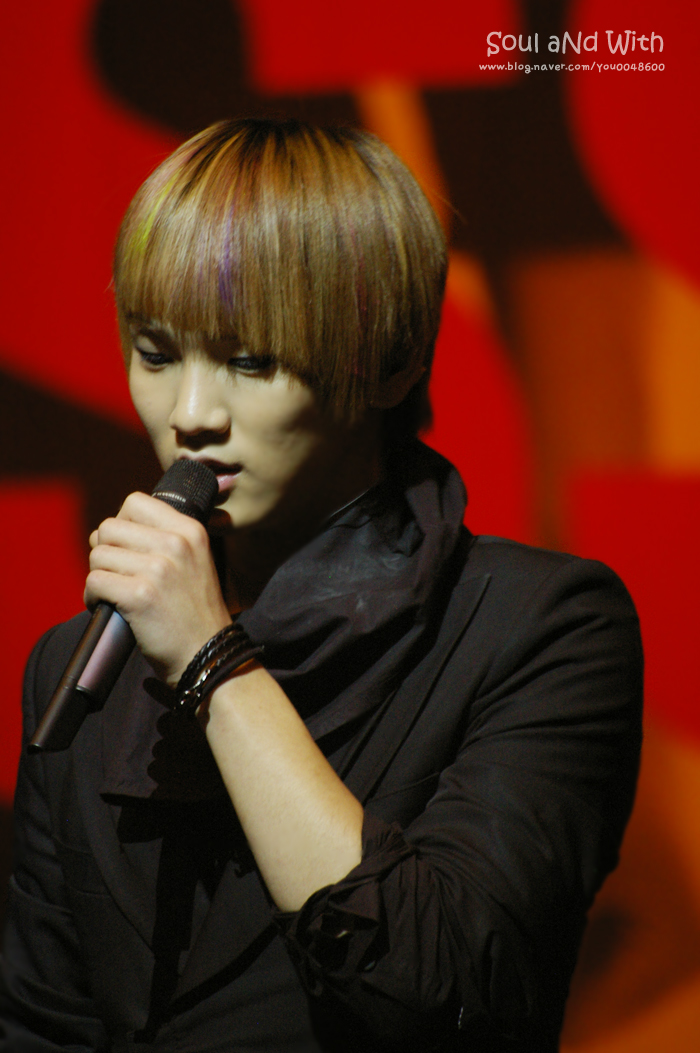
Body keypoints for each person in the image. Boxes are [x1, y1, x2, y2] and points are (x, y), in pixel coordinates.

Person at [0, 118, 643, 1053]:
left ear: (391, 363)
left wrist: (215, 662)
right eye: (156, 352)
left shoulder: (539, 628)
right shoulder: (81, 662)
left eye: (249, 360)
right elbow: (44, 1021)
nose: (190, 414)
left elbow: (444, 990)